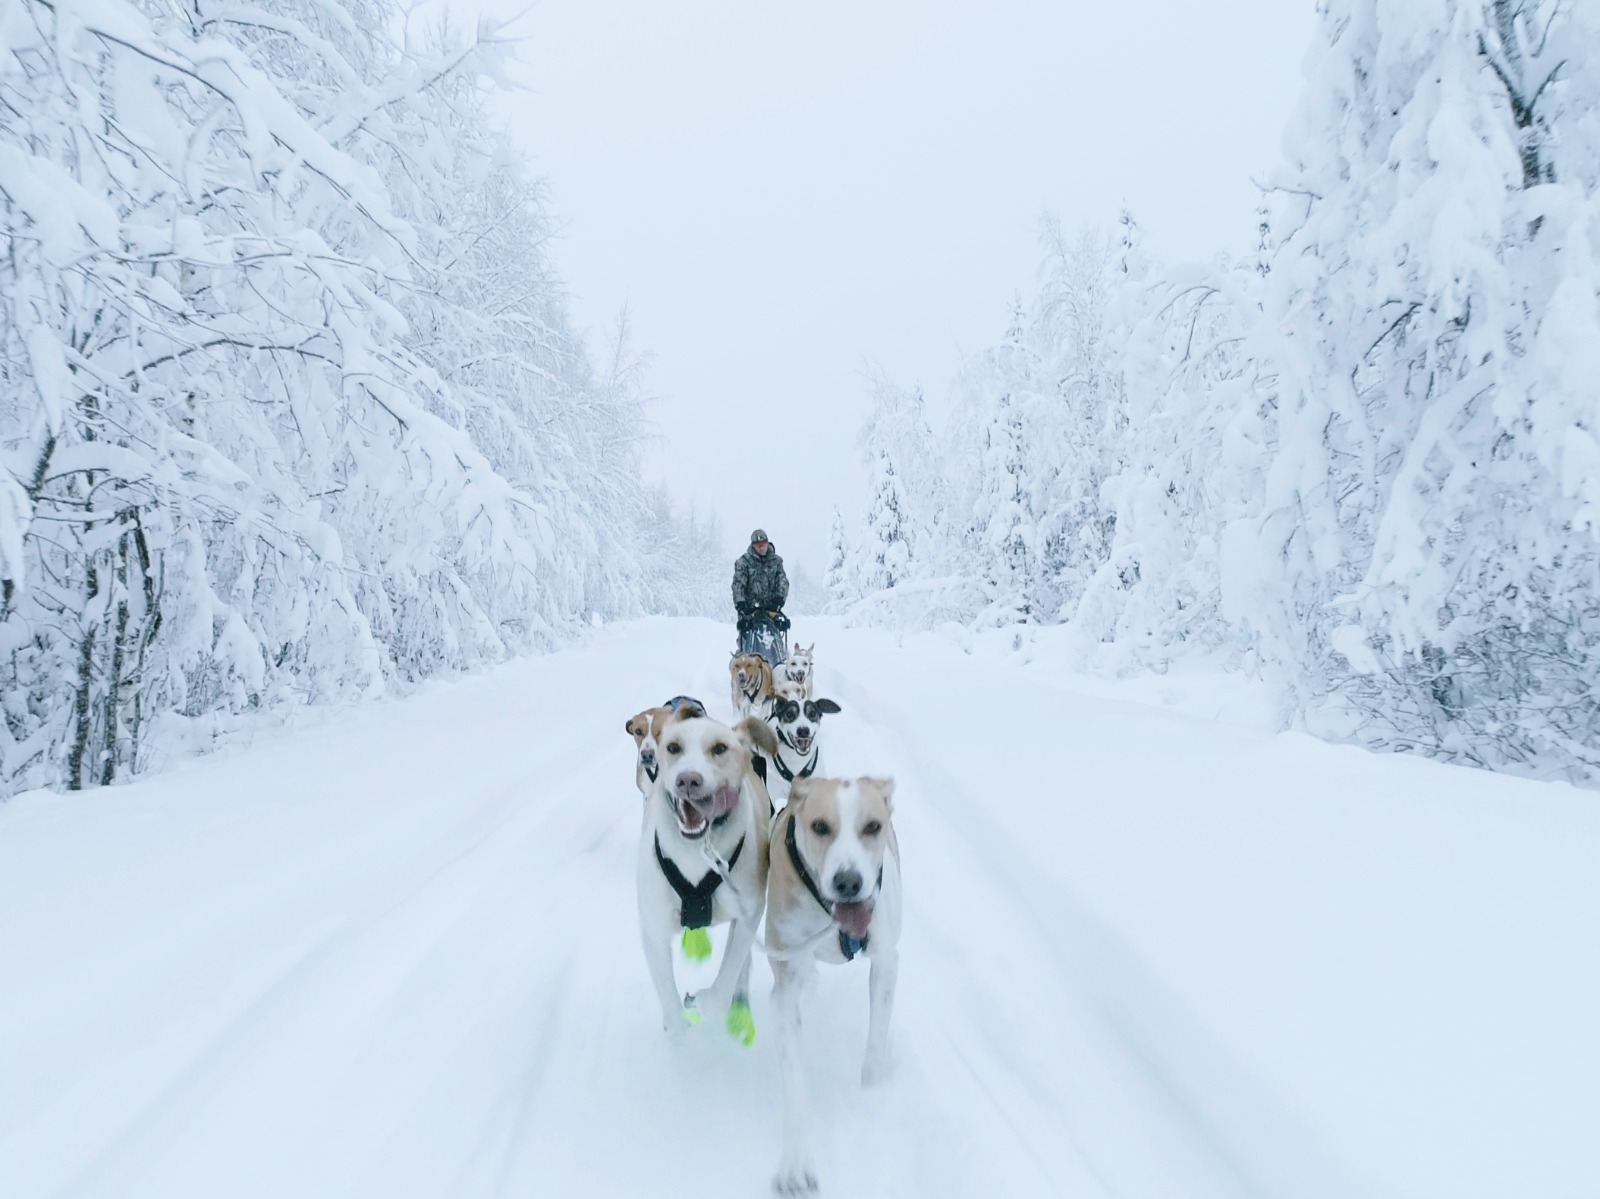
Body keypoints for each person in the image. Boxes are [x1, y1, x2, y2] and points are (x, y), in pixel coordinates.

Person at [732, 529, 790, 659]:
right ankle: (745, 669)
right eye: (758, 544)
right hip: (750, 612)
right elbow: (738, 584)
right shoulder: (743, 562)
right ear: (753, 545)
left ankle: (780, 665)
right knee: (747, 646)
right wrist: (742, 606)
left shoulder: (776, 561)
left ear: (767, 542)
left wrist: (778, 601)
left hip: (771, 610)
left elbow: (783, 582)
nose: (761, 546)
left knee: (777, 643)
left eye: (763, 542)